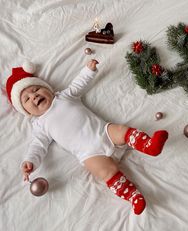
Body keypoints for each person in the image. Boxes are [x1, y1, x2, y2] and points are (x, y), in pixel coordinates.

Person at [6, 60, 168, 215]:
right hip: (89, 154)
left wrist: (88, 70)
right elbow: (37, 146)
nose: (34, 96)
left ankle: (149, 145)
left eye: (36, 90)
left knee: (121, 130)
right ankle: (133, 196)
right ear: (27, 112)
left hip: (103, 132)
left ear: (47, 89)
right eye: (27, 99)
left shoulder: (63, 96)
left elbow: (79, 84)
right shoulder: (40, 125)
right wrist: (30, 162)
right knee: (105, 172)